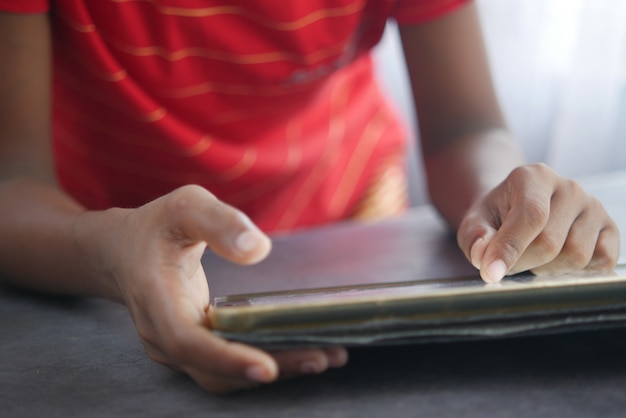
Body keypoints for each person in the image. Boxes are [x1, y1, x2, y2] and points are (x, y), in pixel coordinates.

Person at [0, 0, 619, 393]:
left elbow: (464, 130)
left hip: (357, 227)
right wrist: (112, 252)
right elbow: (12, 184)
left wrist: (499, 196)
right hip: (104, 237)